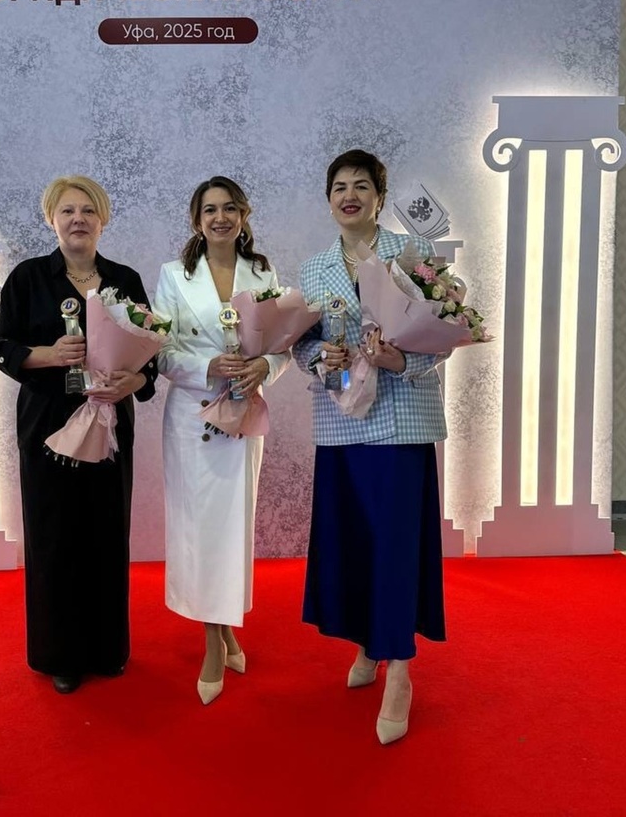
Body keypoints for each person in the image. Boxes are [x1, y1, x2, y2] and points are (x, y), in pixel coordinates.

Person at [293, 149, 447, 744]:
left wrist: (400, 361)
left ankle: (400, 668)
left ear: (380, 197)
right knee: (355, 542)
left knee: (397, 546)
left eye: (361, 185)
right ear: (329, 199)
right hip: (342, 423)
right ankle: (367, 643)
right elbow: (300, 344)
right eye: (339, 187)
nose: (349, 195)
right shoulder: (314, 269)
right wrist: (321, 356)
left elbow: (446, 333)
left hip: (402, 421)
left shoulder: (413, 254)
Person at [0, 175, 157, 694]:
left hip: (109, 422)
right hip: (48, 425)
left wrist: (135, 381)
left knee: (106, 532)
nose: (78, 219)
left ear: (102, 219)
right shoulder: (28, 278)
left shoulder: (124, 279)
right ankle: (60, 654)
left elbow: (153, 352)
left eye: (87, 210)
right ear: (51, 219)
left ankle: (107, 649)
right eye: (67, 211)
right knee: (54, 537)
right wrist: (48, 355)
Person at [153, 176, 290, 705]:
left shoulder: (263, 272)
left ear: (243, 215)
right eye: (209, 210)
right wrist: (207, 365)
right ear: (196, 220)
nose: (220, 218)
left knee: (233, 524)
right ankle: (214, 641)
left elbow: (282, 344)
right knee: (199, 526)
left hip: (244, 412)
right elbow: (161, 351)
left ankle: (225, 627)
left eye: (230, 208)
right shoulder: (173, 275)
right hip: (193, 416)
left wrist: (265, 367)